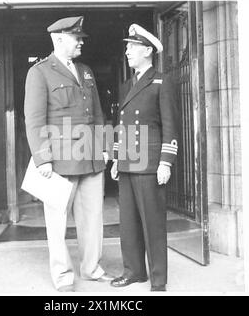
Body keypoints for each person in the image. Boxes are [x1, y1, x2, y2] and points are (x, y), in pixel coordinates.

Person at [24, 16, 113, 292]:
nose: (81, 43)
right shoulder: (39, 72)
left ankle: (91, 268)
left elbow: (98, 113)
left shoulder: (85, 70)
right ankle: (63, 276)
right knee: (57, 224)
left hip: (90, 158)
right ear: (59, 39)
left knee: (92, 220)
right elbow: (34, 119)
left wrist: (105, 146)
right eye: (77, 38)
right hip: (59, 162)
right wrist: (43, 158)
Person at [110, 24, 179, 291]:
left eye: (132, 47)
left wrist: (166, 162)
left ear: (148, 51)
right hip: (129, 162)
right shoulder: (128, 84)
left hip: (150, 165)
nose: (127, 51)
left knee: (152, 224)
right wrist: (117, 159)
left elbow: (170, 125)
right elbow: (123, 125)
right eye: (127, 47)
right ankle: (134, 272)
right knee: (128, 223)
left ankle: (158, 280)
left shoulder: (162, 81)